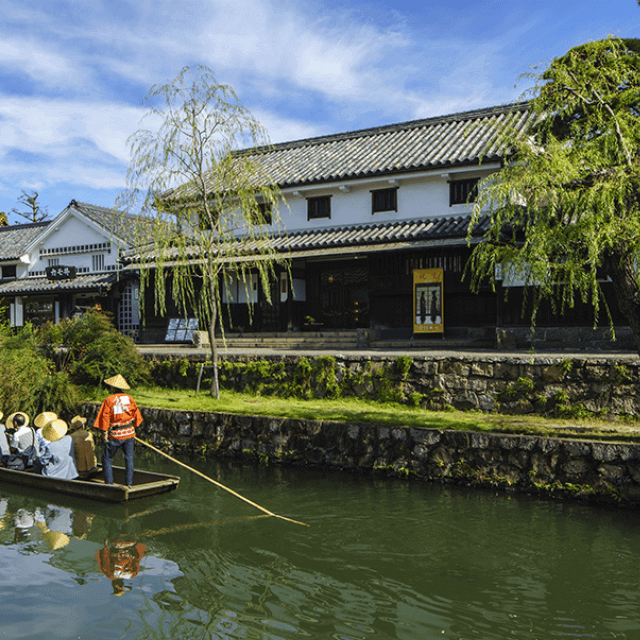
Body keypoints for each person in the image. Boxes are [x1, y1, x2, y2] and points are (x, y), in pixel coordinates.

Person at [94, 374, 143, 486]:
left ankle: (109, 484)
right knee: (129, 459)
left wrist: (105, 432)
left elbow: (105, 417)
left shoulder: (109, 400)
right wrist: (133, 426)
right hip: (129, 432)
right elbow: (136, 415)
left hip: (117, 434)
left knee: (106, 459)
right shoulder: (129, 398)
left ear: (113, 387)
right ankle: (129, 484)